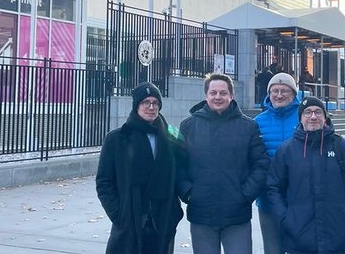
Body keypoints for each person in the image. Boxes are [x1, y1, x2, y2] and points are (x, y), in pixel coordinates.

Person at [178, 73, 269, 254]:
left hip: (236, 215)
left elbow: (261, 164)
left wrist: (245, 194)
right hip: (201, 215)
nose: (218, 97)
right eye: (213, 93)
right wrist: (188, 193)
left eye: (223, 93)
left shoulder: (249, 127)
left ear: (231, 95)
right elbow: (178, 165)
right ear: (206, 95)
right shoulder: (188, 126)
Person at [267, 96, 345, 254]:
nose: (313, 116)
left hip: (337, 239)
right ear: (300, 118)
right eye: (307, 112)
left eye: (317, 112)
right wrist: (285, 219)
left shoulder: (343, 148)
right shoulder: (286, 150)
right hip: (299, 240)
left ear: (325, 117)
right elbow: (273, 188)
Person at [96, 82, 184, 254]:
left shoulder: (172, 135)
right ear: (137, 105)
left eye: (155, 103)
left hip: (162, 220)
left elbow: (184, 168)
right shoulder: (117, 139)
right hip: (130, 219)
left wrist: (175, 212)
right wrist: (118, 214)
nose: (151, 107)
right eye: (146, 102)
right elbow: (104, 181)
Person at [254, 72, 300, 254]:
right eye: (275, 91)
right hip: (268, 200)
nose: (279, 95)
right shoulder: (258, 122)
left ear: (294, 93)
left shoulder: (304, 118)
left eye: (284, 91)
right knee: (273, 249)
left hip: (299, 199)